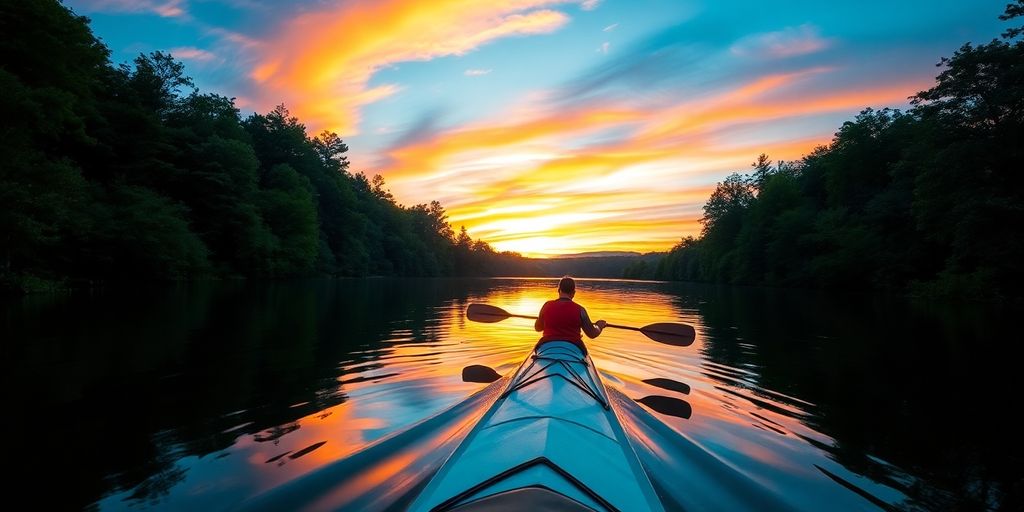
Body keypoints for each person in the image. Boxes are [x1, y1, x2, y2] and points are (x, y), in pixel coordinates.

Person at [534, 276, 607, 354]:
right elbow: (592, 334)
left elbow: (538, 328)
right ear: (573, 293)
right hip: (573, 346)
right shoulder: (580, 310)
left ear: (559, 290)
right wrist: (599, 326)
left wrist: (539, 319)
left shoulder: (546, 306)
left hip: (547, 344)